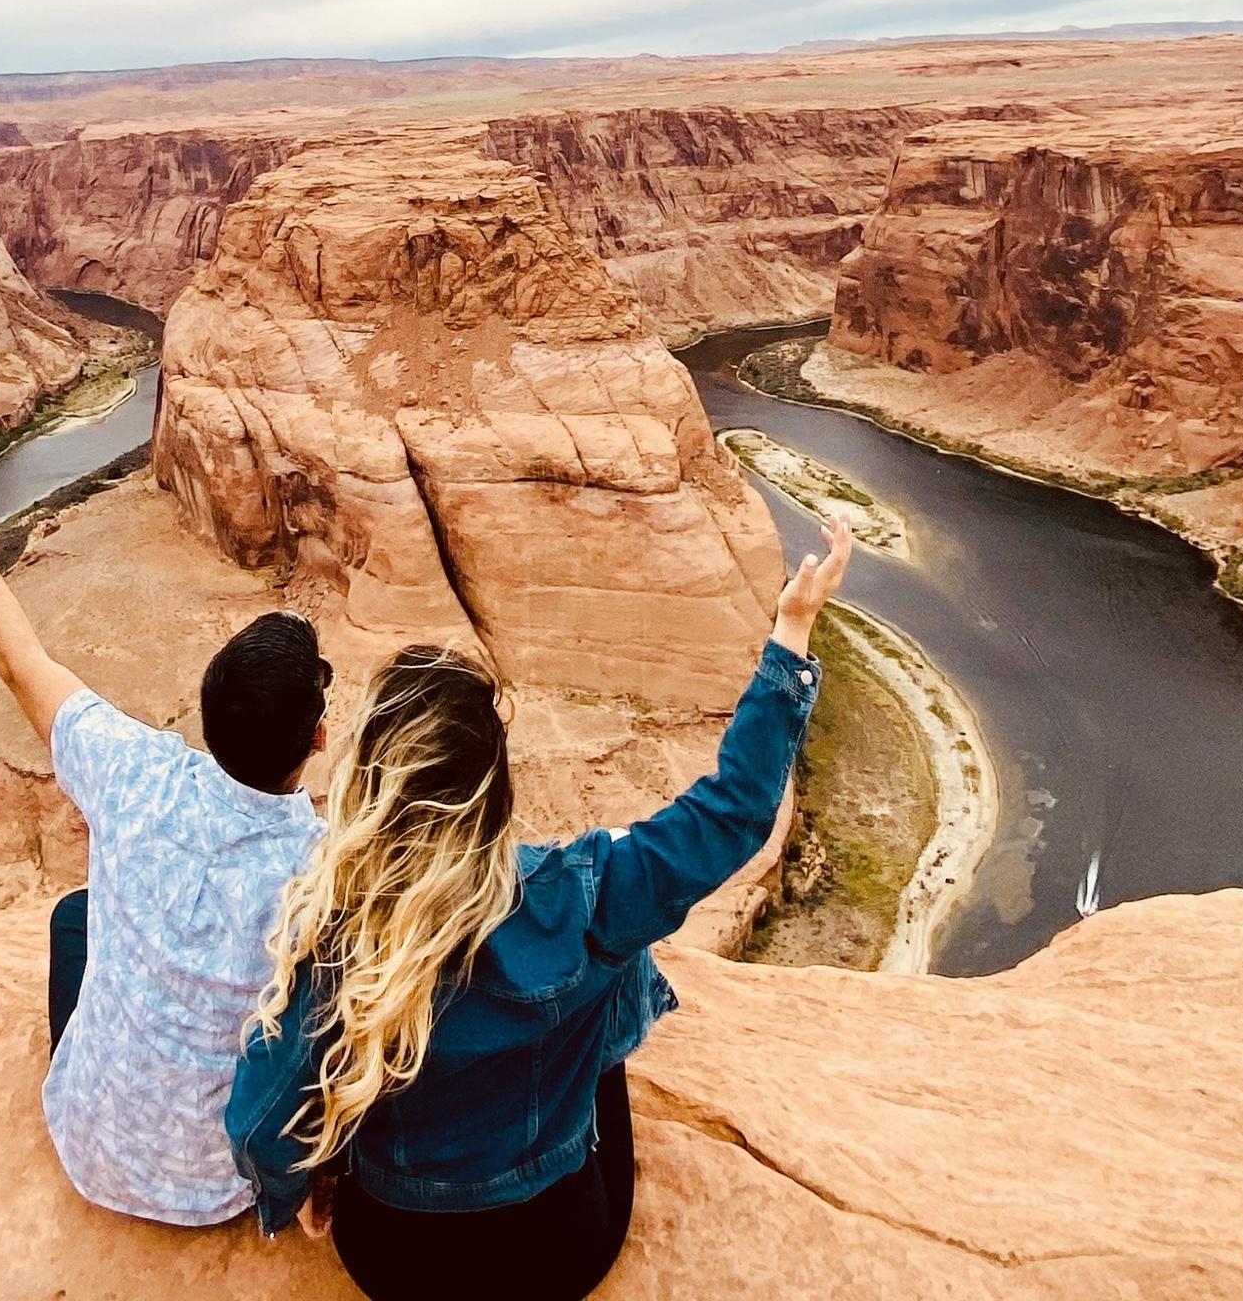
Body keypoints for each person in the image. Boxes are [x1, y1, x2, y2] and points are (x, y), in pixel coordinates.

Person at [226, 515, 853, 1300]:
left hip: (393, 1258)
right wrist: (791, 628)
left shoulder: (339, 934)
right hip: (563, 1250)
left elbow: (256, 1125)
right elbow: (733, 813)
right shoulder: (579, 889)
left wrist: (302, 1188)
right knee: (615, 946)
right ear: (494, 792)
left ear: (372, 794)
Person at [0, 449, 329, 1228]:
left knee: (76, 917)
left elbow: (18, 663)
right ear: (319, 737)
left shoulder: (135, 774)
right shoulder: (324, 868)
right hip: (218, 1188)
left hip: (85, 1141)